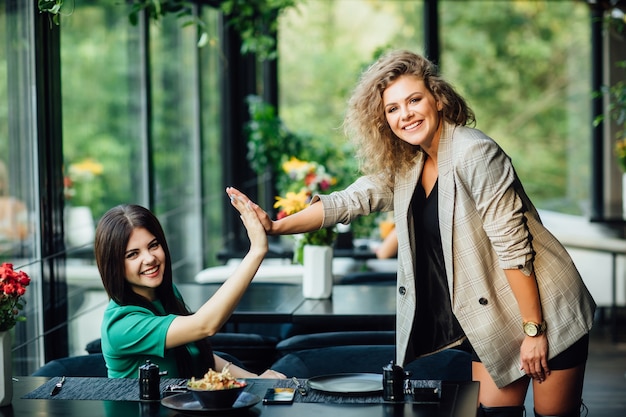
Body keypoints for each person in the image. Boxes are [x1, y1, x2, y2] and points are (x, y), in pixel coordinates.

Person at [226, 50, 596, 417]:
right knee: (495, 415)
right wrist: (275, 227)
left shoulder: (475, 152)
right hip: (490, 315)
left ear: (437, 99)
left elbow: (513, 249)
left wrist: (534, 331)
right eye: (393, 108)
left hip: (545, 306)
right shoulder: (409, 163)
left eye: (414, 100)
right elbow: (350, 200)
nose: (405, 114)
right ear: (383, 118)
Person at [95, 201, 286, 380]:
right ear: (114, 266)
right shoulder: (121, 325)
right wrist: (257, 251)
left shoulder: (166, 292)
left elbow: (197, 354)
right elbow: (205, 325)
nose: (149, 258)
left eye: (153, 245)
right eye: (133, 254)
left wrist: (256, 380)